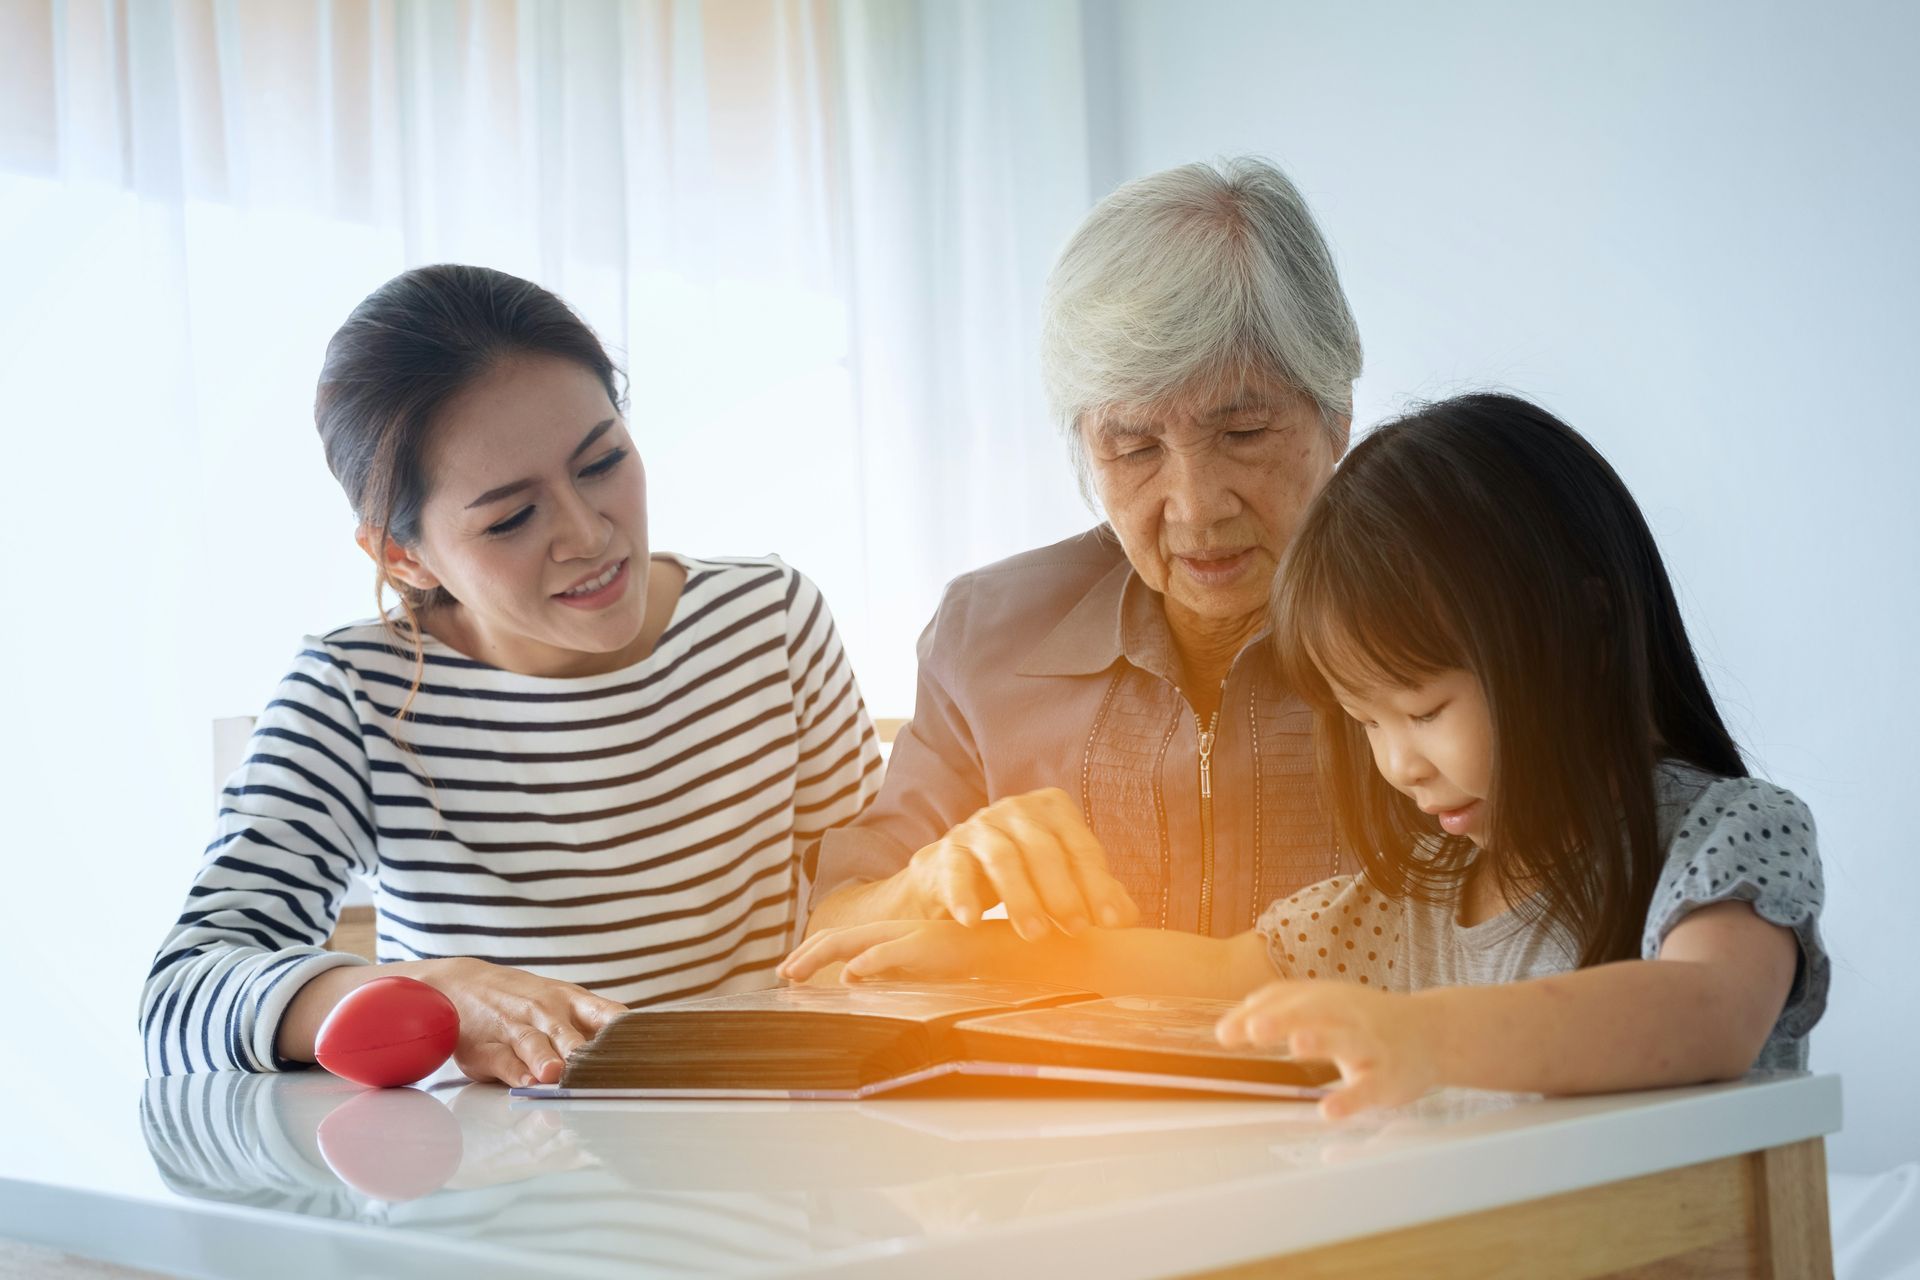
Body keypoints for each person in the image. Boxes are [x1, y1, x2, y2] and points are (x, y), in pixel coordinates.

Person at [783, 394, 1828, 1119]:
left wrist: (1423, 1036)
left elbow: (1705, 1017)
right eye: (1365, 721)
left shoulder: (1725, 836)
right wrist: (984, 959)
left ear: (1584, 629)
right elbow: (1217, 968)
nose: (1399, 764)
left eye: (1422, 707)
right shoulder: (1418, 893)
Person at [141, 265, 881, 1087]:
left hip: (762, 1168)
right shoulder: (354, 692)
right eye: (512, 517)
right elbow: (182, 996)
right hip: (482, 1195)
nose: (588, 534)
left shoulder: (769, 619)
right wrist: (429, 991)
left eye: (602, 463)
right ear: (403, 554)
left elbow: (863, 907)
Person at [806, 157, 1365, 944]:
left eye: (1243, 434)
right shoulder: (989, 637)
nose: (1196, 507)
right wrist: (929, 881)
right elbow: (827, 939)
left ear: (1336, 411)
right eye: (1136, 448)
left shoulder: (1449, 632)